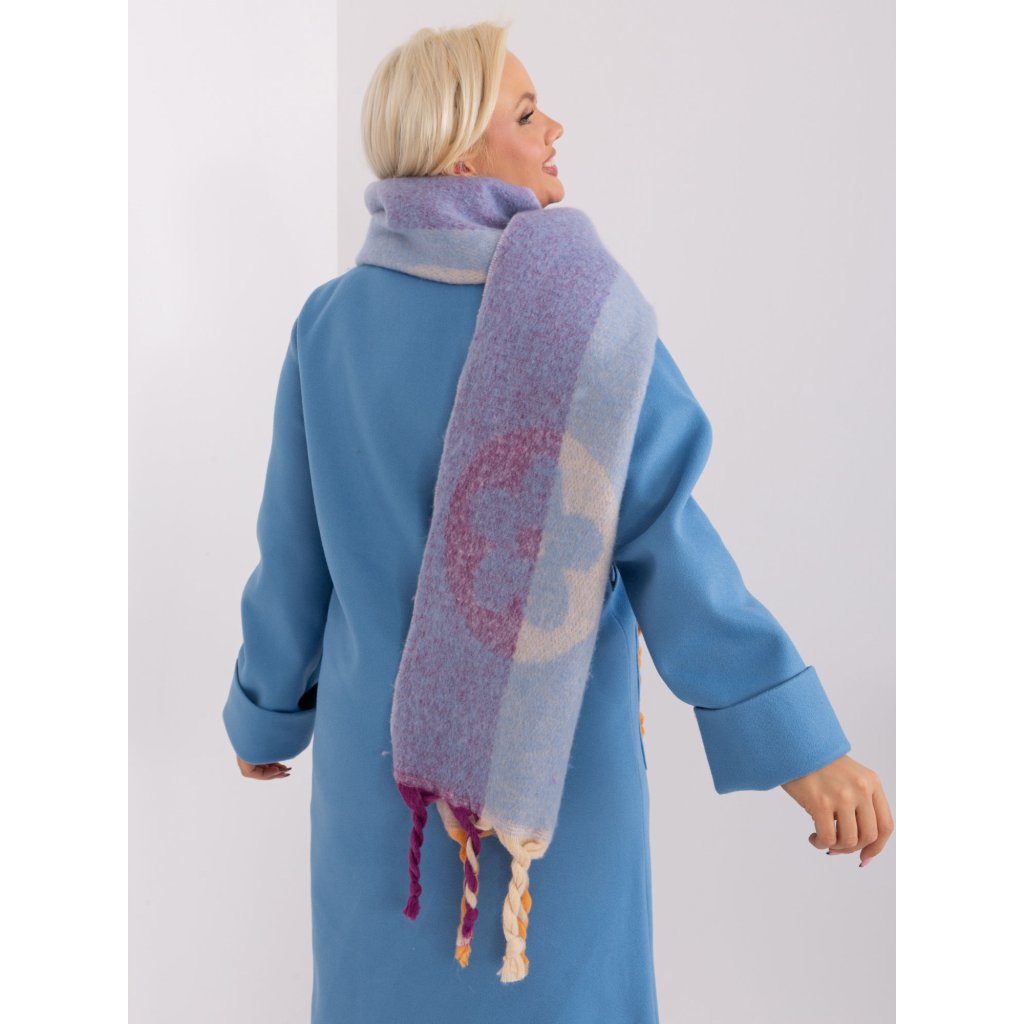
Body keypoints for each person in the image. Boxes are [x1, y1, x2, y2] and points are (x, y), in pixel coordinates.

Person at [222, 20, 894, 1023]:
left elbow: (292, 557)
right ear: (459, 149)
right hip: (557, 790)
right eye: (529, 114)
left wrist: (264, 712)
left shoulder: (328, 323)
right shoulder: (585, 314)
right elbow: (668, 544)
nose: (555, 130)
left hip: (390, 801)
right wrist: (799, 741)